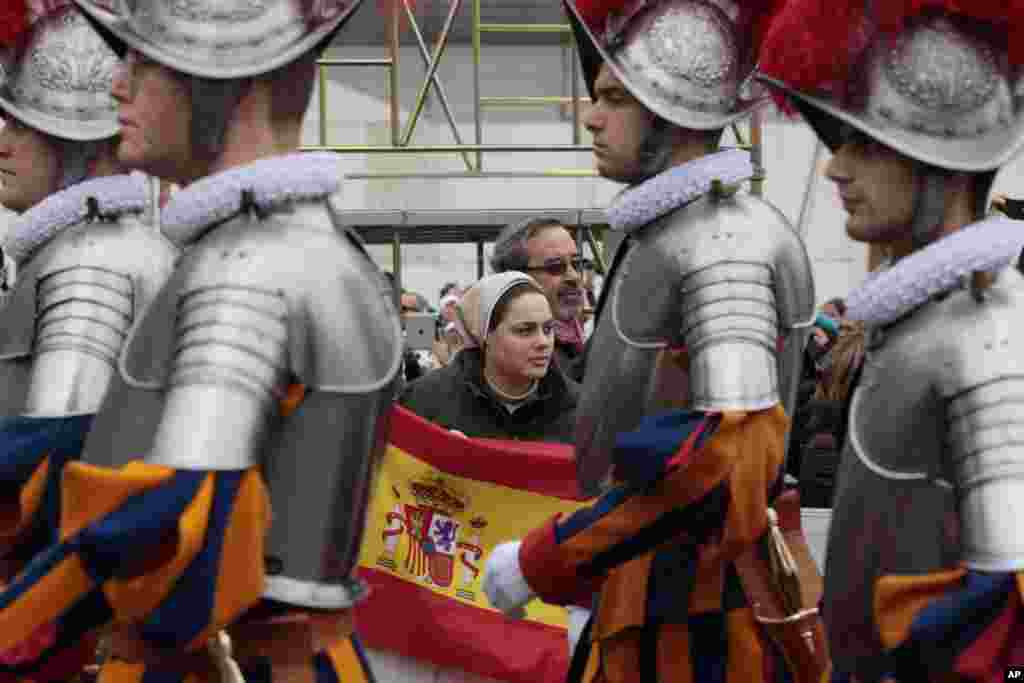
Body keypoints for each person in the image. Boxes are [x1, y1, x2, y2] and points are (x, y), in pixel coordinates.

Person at [0, 0, 403, 680]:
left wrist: (13, 628)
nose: (117, 85)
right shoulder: (259, 243)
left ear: (218, 81)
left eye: (144, 62)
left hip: (240, 659)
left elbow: (174, 528)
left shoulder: (249, 263)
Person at [482, 0, 817, 681]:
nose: (590, 116)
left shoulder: (725, 243)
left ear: (670, 109)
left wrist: (549, 557)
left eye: (611, 98)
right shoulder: (668, 230)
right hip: (653, 594)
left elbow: (724, 461)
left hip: (704, 622)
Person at [759, 2, 1024, 680]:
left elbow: (1008, 590)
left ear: (942, 158)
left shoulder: (987, 333)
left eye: (865, 143)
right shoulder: (915, 321)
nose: (833, 169)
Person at [0, 3, 178, 678]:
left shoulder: (89, 261)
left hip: (70, 629)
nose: (2, 141)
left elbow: (58, 474)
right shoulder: (88, 247)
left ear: (78, 140)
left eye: (25, 124)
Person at [401, 272, 578, 443]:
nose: (543, 342)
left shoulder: (579, 407)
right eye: (524, 331)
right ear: (485, 335)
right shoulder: (426, 401)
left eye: (548, 329)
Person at [491, 217, 591, 383]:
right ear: (516, 277)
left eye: (576, 264)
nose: (573, 276)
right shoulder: (507, 357)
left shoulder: (578, 342)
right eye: (555, 266)